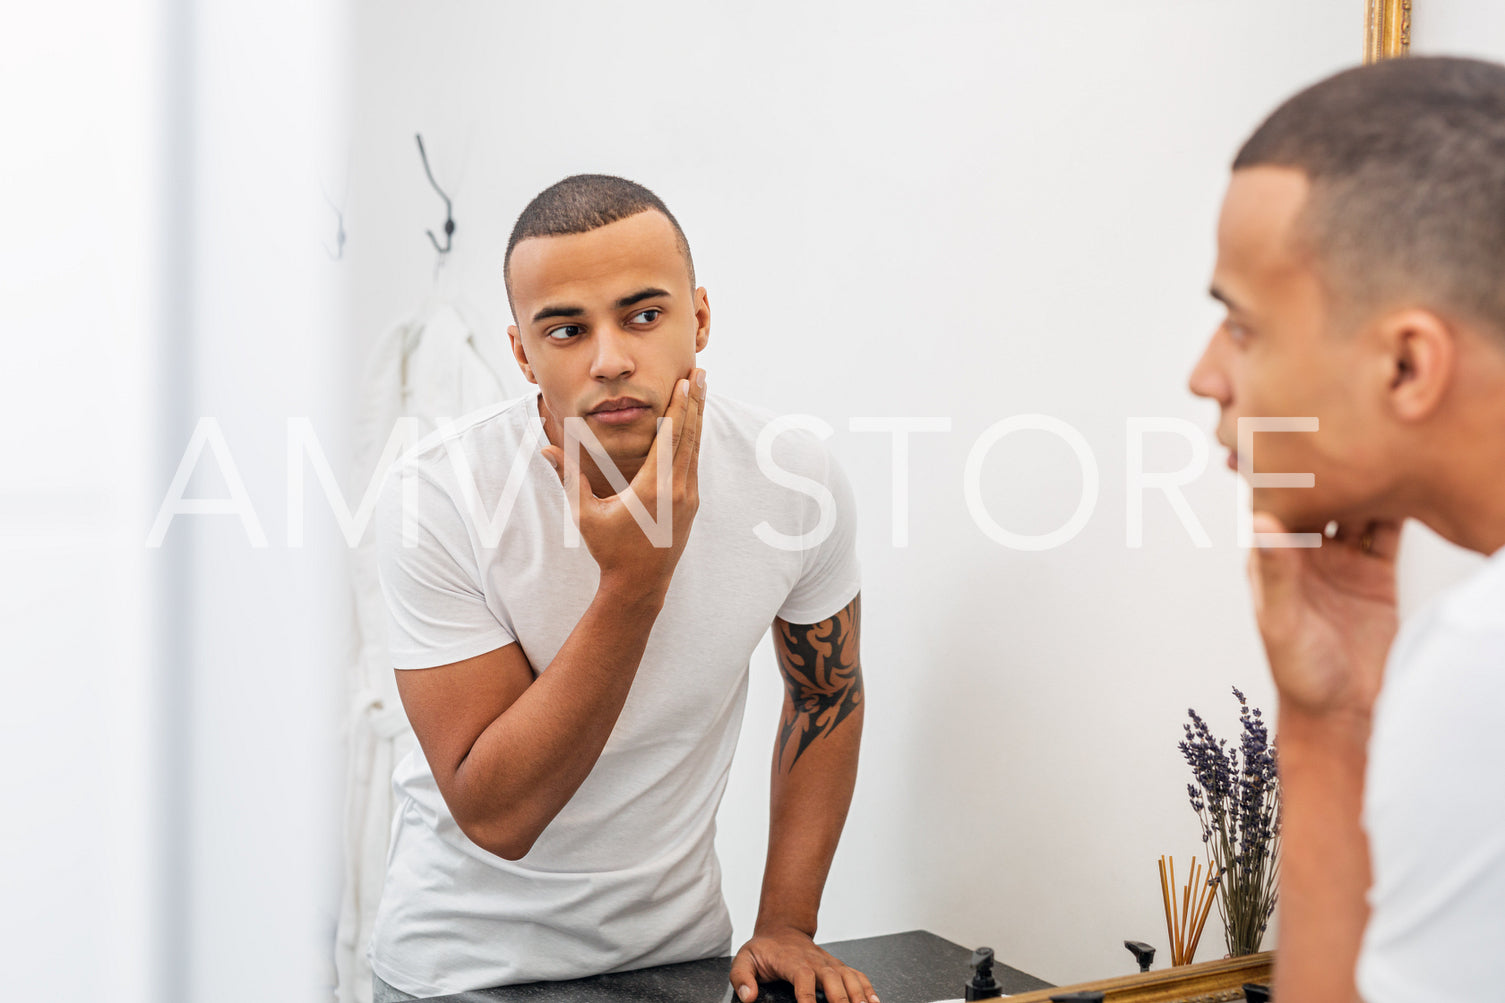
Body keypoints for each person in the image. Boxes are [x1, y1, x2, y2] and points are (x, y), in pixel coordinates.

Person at [367, 175, 877, 1003]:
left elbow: (827, 694)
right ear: (522, 352)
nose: (610, 359)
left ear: (699, 319)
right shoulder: (441, 497)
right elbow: (498, 816)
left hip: (677, 959)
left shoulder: (792, 480)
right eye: (566, 329)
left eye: (644, 315)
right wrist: (634, 582)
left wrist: (787, 922)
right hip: (461, 972)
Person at [1188, 56, 1505, 1002]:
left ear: (1407, 364)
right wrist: (1325, 713)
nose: (1205, 375)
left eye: (1239, 326)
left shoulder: (1481, 661)